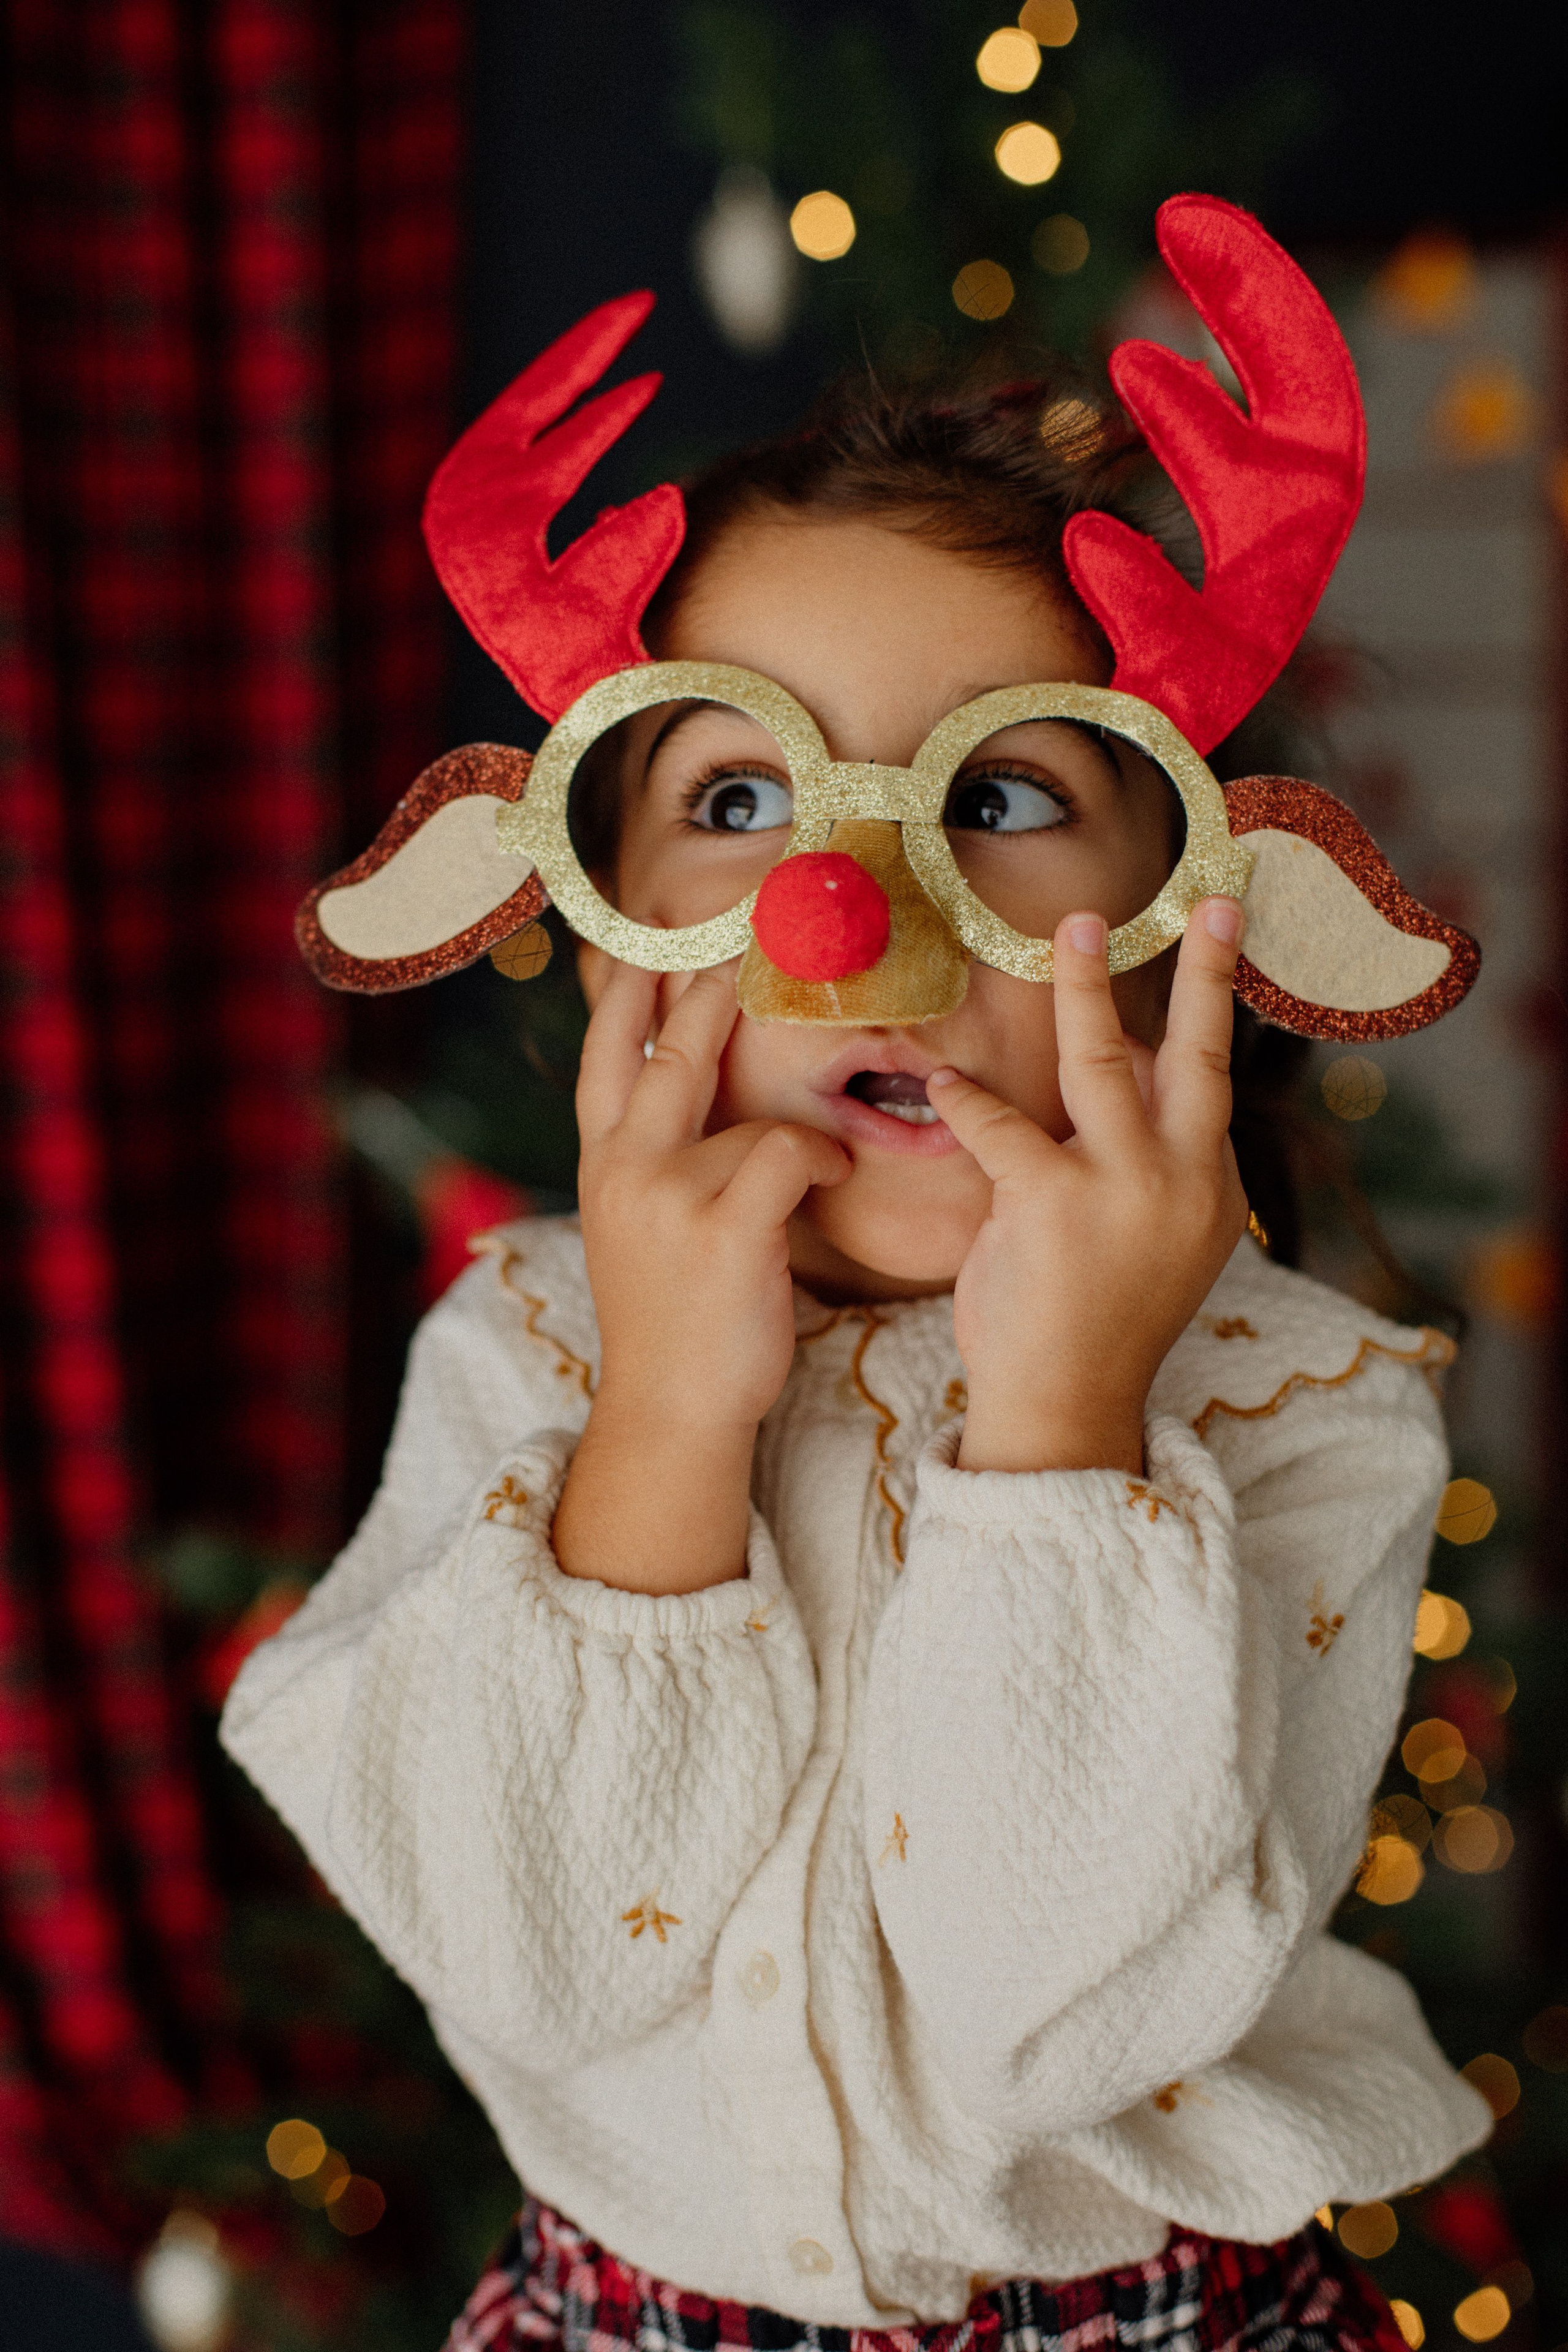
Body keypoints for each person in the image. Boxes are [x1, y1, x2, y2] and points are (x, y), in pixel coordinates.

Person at [223, 199, 1490, 2351]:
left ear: (1200, 913)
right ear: (605, 915)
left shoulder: (1299, 1401)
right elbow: (522, 1941)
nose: (848, 907)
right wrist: (659, 1419)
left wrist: (1070, 1426)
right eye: (737, 795)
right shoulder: (527, 1340)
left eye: (997, 792)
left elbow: (1044, 2008)